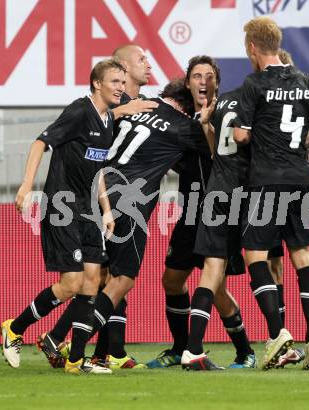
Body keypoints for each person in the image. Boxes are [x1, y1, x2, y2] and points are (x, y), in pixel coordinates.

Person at [64, 78, 214, 366]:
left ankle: (102, 353)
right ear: (186, 107)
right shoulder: (184, 126)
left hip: (95, 189)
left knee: (99, 277)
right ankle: (73, 349)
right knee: (123, 279)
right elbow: (216, 150)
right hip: (129, 200)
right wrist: (205, 121)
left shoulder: (136, 106)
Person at [1, 58, 127, 374]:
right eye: (115, 81)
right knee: (72, 283)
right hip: (63, 208)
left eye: (122, 83)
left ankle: (75, 361)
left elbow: (98, 171)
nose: (120, 88)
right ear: (97, 83)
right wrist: (28, 184)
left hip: (89, 213)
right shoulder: (79, 111)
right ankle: (15, 328)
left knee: (94, 282)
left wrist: (107, 210)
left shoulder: (108, 120)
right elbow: (39, 143)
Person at [37, 44, 158, 370]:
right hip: (99, 198)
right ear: (117, 70)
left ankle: (101, 350)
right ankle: (78, 345)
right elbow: (89, 127)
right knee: (111, 277)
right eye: (141, 60)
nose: (147, 65)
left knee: (107, 277)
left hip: (104, 199)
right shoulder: (106, 106)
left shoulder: (131, 106)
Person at [233, 16, 309, 370]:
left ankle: (277, 333)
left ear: (252, 47)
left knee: (255, 256)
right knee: (301, 256)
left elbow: (241, 136)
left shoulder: (254, 83)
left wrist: (257, 137)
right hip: (300, 178)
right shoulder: (307, 81)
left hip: (266, 180)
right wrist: (295, 144)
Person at [146, 56, 257, 370]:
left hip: (221, 210)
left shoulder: (225, 115)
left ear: (217, 83)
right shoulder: (179, 120)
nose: (203, 81)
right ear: (188, 82)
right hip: (190, 211)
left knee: (215, 286)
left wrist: (207, 122)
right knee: (172, 280)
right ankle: (181, 347)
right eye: (197, 75)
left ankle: (243, 352)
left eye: (209, 76)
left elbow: (225, 153)